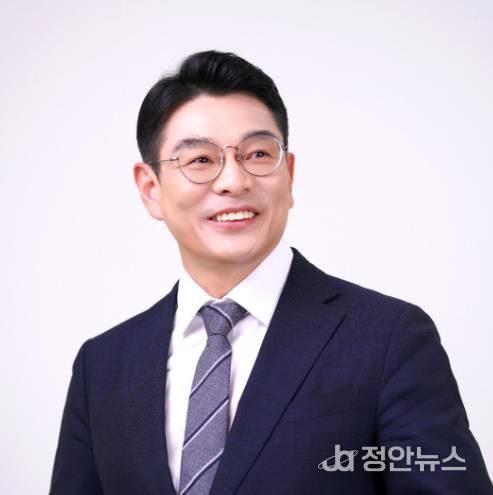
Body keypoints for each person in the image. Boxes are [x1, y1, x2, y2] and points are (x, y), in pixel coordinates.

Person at [50, 50, 492, 495]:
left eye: (258, 154)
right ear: (150, 189)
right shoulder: (102, 366)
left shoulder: (387, 340)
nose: (234, 181)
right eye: (200, 160)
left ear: (289, 174)